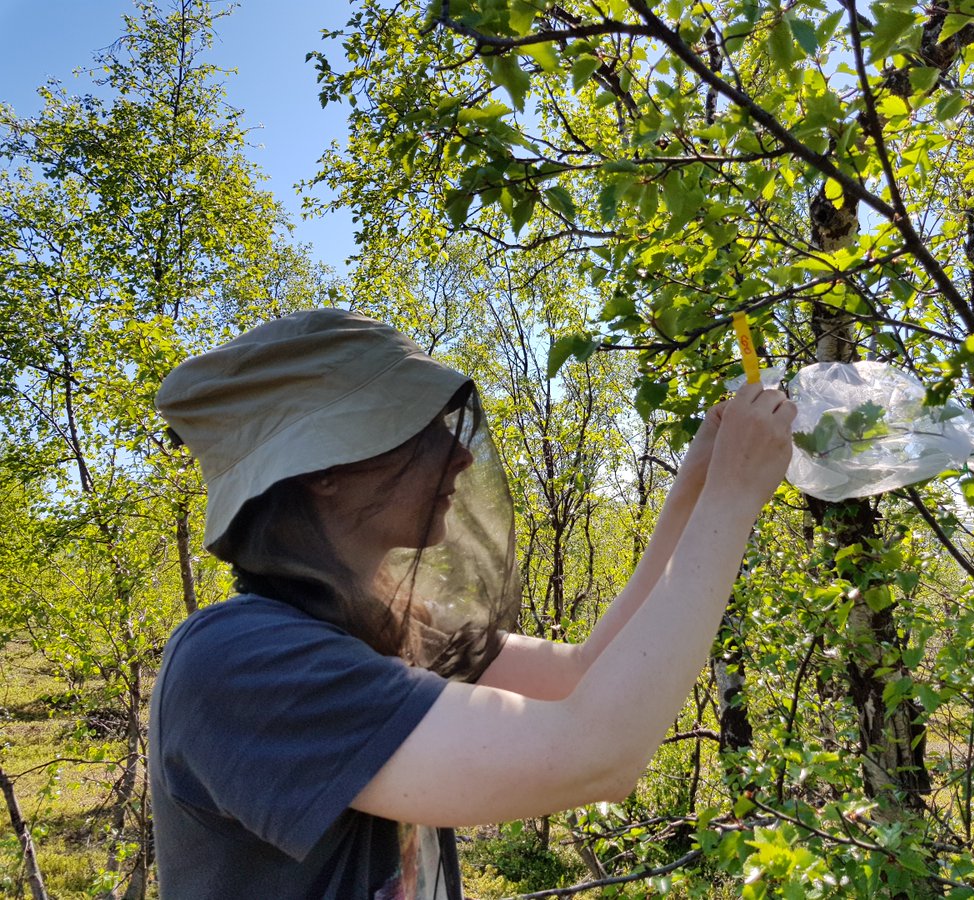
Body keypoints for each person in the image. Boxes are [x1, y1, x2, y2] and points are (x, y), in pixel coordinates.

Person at [150, 308, 796, 899]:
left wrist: (698, 484)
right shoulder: (242, 663)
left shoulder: (373, 626)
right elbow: (597, 753)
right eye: (420, 431)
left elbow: (582, 673)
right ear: (327, 469)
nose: (459, 455)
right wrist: (731, 501)